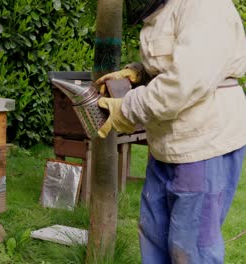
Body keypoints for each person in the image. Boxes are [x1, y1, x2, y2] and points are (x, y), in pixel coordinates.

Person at [95, 0, 246, 263]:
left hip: (203, 141)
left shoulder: (205, 6)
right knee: (153, 234)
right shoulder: (167, 7)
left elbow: (186, 82)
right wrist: (138, 72)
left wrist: (127, 108)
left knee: (190, 247)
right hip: (166, 142)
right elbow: (176, 61)